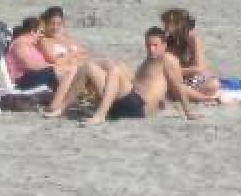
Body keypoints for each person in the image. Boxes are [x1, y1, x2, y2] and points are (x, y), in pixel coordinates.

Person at [88, 26, 216, 124]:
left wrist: (189, 111)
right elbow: (151, 86)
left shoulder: (167, 59)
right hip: (121, 106)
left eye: (155, 45)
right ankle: (78, 105)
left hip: (138, 108)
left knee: (116, 69)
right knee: (89, 67)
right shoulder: (147, 61)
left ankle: (100, 114)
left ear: (164, 45)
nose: (151, 49)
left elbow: (178, 86)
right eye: (148, 45)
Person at [5, 16, 90, 118]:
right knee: (70, 71)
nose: (41, 35)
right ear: (32, 31)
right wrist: (54, 66)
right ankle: (55, 105)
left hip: (38, 75)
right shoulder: (20, 44)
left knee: (76, 70)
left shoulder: (30, 44)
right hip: (26, 80)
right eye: (40, 32)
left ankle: (72, 99)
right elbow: (31, 66)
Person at [161, 7, 222, 97]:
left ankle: (193, 95)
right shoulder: (169, 40)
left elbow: (199, 68)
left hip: (197, 78)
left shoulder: (193, 39)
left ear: (178, 24)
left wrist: (174, 71)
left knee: (212, 85)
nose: (164, 26)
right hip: (179, 78)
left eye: (167, 22)